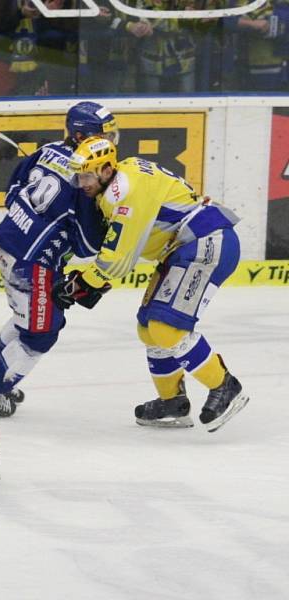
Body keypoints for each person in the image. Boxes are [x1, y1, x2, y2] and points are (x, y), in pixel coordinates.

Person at [57, 136, 249, 432]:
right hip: (183, 249)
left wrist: (81, 283)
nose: (81, 183)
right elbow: (123, 253)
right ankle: (172, 401)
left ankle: (225, 386)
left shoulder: (125, 190)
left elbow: (118, 258)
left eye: (86, 175)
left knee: (166, 327)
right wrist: (90, 282)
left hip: (206, 241)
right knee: (148, 328)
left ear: (107, 169)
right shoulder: (125, 173)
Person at [0, 101, 114, 417]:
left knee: (27, 319)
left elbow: (13, 189)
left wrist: (29, 218)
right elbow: (86, 244)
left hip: (8, 241)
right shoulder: (86, 176)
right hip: (32, 261)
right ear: (81, 135)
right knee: (42, 333)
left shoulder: (48, 149)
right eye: (103, 133)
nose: (109, 139)